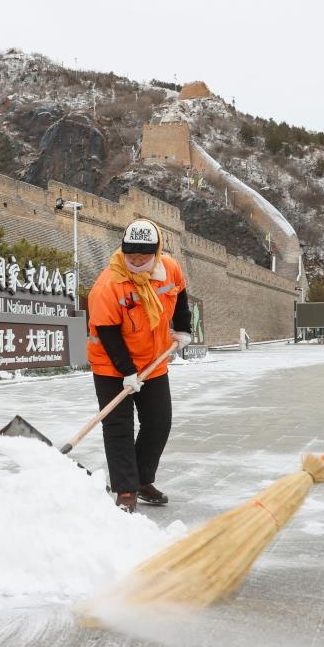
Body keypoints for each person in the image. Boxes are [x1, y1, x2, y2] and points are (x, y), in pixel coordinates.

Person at [87, 219, 192, 513]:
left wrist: (183, 329)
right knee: (118, 426)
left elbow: (180, 294)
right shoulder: (108, 285)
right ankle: (125, 489)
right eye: (130, 254)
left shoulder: (169, 269)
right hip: (111, 365)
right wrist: (127, 372)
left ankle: (142, 479)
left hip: (154, 361)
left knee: (159, 422)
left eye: (143, 256)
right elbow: (107, 333)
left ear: (156, 253)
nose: (135, 260)